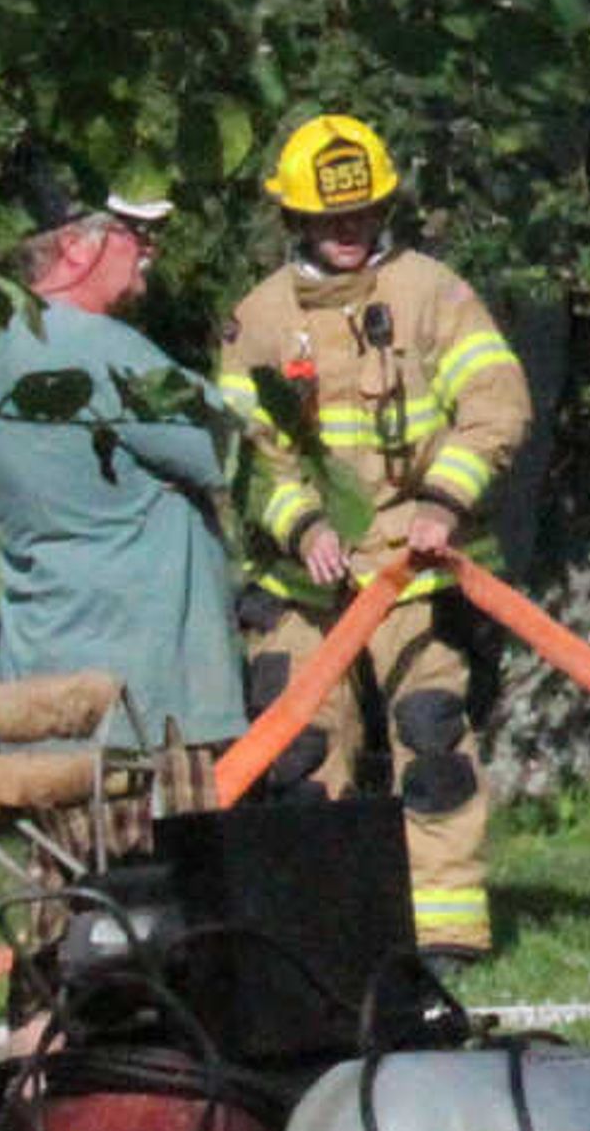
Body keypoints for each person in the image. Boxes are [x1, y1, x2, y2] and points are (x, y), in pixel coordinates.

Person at [213, 113, 530, 968]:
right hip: (302, 587)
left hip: (413, 570)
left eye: (362, 216)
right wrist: (305, 524)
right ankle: (316, 934)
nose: (349, 234)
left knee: (431, 733)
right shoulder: (260, 321)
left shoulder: (433, 292)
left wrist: (442, 502)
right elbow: (248, 459)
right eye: (329, 220)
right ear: (296, 220)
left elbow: (497, 403)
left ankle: (444, 931)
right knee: (301, 756)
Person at [0, 184, 247, 756]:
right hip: (139, 704)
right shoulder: (103, 348)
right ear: (76, 246)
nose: (150, 250)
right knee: (161, 848)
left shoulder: (7, 350)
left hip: (43, 685)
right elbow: (222, 448)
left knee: (68, 849)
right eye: (134, 233)